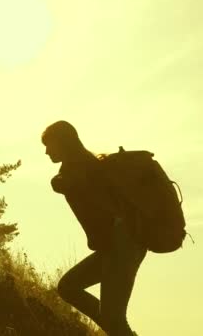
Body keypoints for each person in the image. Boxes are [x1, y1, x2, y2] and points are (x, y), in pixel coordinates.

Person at [42, 120, 146, 336]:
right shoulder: (78, 164)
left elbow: (71, 183)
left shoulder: (82, 165)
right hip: (114, 246)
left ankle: (115, 328)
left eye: (49, 145)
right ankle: (114, 329)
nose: (46, 151)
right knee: (69, 287)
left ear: (63, 142)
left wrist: (57, 182)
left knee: (113, 317)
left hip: (123, 243)